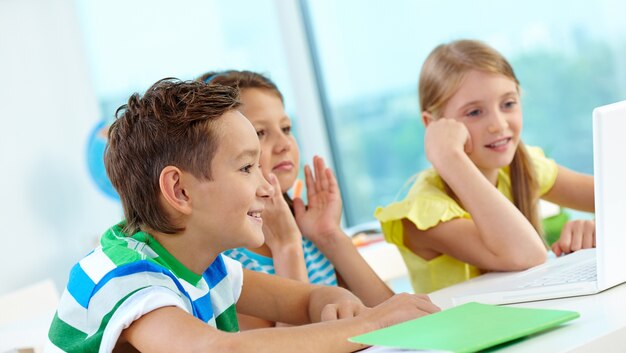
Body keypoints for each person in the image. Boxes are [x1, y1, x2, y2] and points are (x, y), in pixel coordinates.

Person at [46, 78, 438, 353]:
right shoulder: (126, 278)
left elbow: (309, 301)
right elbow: (216, 350)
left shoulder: (202, 264)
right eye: (247, 168)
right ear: (180, 191)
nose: (267, 187)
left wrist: (333, 301)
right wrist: (371, 323)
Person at [375, 39, 596, 294]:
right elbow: (525, 254)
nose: (498, 124)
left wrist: (597, 227)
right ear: (432, 125)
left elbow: (615, 198)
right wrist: (449, 158)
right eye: (474, 113)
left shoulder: (523, 166)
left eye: (508, 104)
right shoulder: (425, 212)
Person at [199, 71, 393, 328]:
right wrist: (286, 248)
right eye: (260, 133)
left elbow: (391, 315)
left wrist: (330, 236)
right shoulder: (227, 261)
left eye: (286, 128)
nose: (283, 144)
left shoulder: (309, 234)